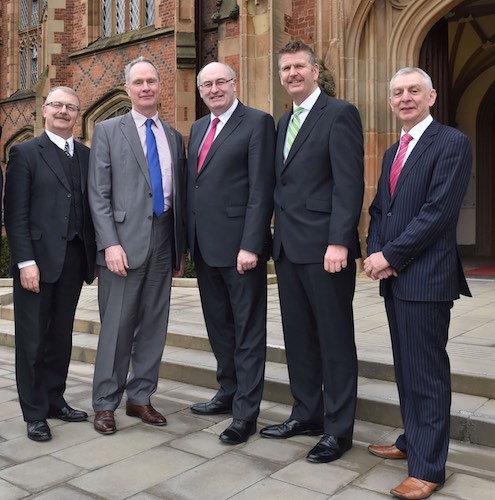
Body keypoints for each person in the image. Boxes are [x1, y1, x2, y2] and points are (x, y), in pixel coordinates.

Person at [364, 67, 472, 500]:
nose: (404, 98)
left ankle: (428, 468)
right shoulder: (393, 152)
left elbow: (438, 213)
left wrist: (390, 255)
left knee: (426, 374)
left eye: (413, 91)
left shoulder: (451, 143)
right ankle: (412, 440)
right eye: (397, 93)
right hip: (396, 279)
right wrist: (375, 253)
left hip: (427, 279)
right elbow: (379, 210)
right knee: (406, 369)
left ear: (432, 97)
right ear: (391, 102)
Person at [259, 40, 364, 463]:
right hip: (288, 248)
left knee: (334, 340)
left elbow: (349, 183)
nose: (292, 74)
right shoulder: (284, 122)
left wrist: (340, 240)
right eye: (285, 69)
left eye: (299, 67)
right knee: (298, 338)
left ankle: (338, 430)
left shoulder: (339, 114)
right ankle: (306, 414)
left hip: (326, 249)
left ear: (315, 70)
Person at [88, 56, 186, 435]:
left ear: (160, 87)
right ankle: (105, 403)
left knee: (153, 326)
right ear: (128, 89)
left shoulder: (174, 138)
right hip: (122, 245)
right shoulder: (108, 130)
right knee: (116, 327)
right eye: (139, 82)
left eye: (152, 81)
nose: (146, 88)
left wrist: (179, 248)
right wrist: (109, 244)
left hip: (163, 241)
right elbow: (98, 195)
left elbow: (177, 198)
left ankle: (141, 396)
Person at [186, 62, 275, 444]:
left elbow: (261, 189)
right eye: (207, 84)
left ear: (234, 84)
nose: (214, 88)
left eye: (221, 81)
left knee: (247, 332)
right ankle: (227, 391)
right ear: (201, 91)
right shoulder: (198, 127)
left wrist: (251, 244)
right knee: (219, 327)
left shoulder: (257, 122)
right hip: (205, 248)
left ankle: (245, 413)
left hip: (241, 249)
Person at [4, 87, 96, 441]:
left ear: (78, 114)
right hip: (37, 263)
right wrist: (25, 261)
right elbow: (15, 214)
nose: (63, 112)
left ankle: (56, 399)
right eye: (56, 105)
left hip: (74, 259)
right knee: (32, 339)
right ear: (44, 110)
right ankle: (34, 412)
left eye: (70, 107)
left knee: (60, 335)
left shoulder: (86, 155)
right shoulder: (25, 153)